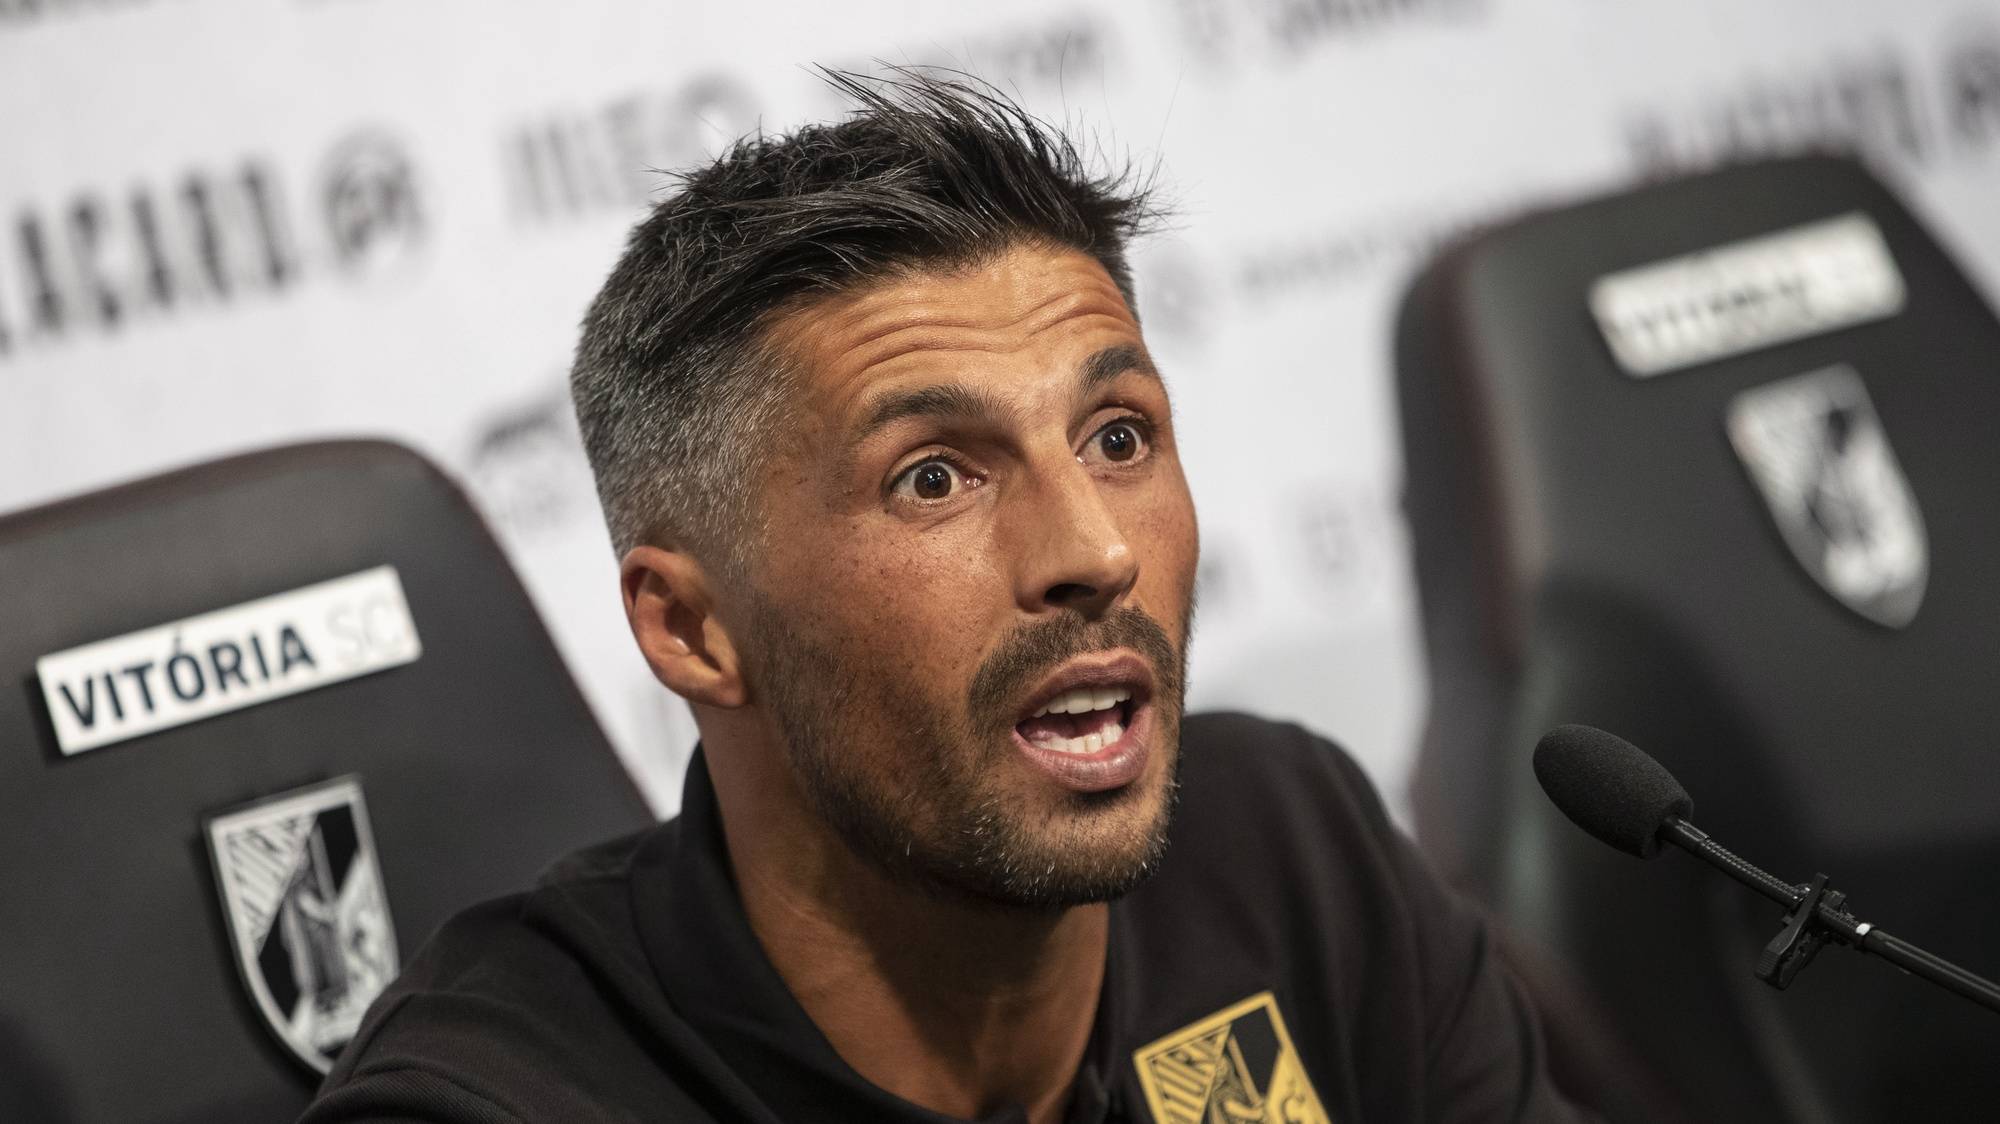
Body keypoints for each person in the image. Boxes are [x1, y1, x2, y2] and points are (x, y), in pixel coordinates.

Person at [302, 71, 1591, 1124]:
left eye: (1119, 437)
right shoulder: (501, 1103)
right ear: (691, 629)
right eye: (933, 478)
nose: (1093, 550)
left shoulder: (1292, 856)